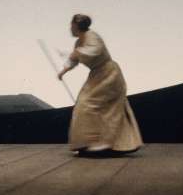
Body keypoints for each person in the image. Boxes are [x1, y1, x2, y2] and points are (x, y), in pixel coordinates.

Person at [57, 14, 142, 155]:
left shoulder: (92, 36)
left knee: (93, 105)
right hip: (96, 75)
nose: (70, 28)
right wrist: (63, 72)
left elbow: (94, 51)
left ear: (76, 26)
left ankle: (103, 142)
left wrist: (75, 53)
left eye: (71, 25)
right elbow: (73, 60)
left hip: (109, 73)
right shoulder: (78, 42)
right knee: (83, 104)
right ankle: (87, 142)